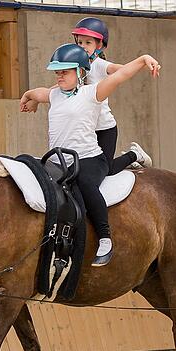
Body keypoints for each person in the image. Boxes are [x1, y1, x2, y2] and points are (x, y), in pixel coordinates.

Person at [19, 44, 161, 266]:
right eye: (57, 72)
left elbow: (121, 75)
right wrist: (30, 98)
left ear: (80, 72)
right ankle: (134, 155)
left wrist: (143, 58)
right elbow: (39, 92)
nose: (59, 77)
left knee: (86, 184)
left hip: (89, 159)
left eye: (64, 72)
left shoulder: (92, 93)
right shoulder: (56, 94)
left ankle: (105, 238)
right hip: (59, 160)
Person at [25, 17, 153, 172]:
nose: (83, 46)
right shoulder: (77, 64)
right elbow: (60, 86)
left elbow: (120, 70)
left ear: (99, 45)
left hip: (104, 127)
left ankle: (135, 155)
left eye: (88, 43)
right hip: (87, 127)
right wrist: (36, 99)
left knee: (106, 170)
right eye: (80, 42)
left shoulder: (98, 64)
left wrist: (142, 64)